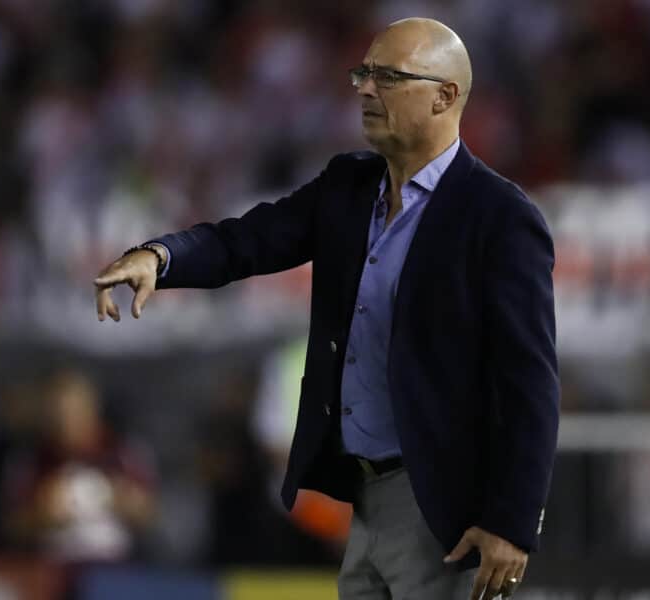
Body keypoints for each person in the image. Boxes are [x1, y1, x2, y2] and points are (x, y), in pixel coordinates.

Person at [93, 17, 559, 600]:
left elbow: (529, 383)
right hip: (359, 499)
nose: (364, 89)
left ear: (445, 96)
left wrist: (511, 521)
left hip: (444, 507)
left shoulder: (500, 217)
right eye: (363, 73)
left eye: (387, 76)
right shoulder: (349, 186)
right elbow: (248, 240)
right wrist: (160, 256)